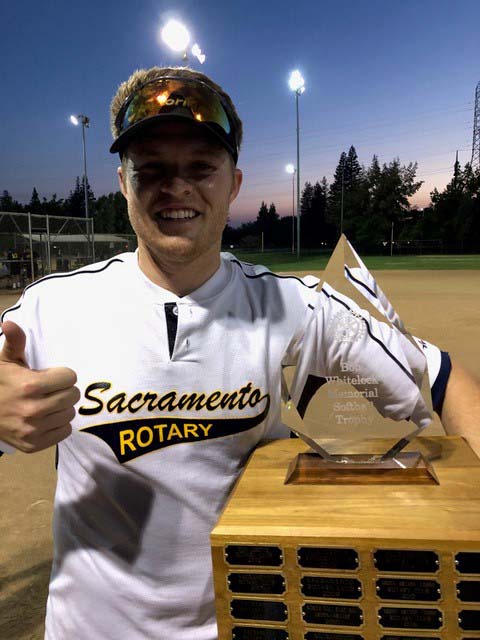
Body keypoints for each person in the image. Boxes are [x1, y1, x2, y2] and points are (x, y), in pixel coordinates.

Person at [0, 66, 478, 640]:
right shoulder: (51, 307)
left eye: (201, 167)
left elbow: (440, 376)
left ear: (233, 183)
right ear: (124, 183)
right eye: (151, 168)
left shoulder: (295, 306)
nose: (176, 187)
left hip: (243, 623)